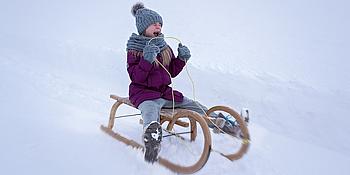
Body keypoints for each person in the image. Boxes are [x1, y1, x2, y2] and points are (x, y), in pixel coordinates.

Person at [126, 2, 242, 163]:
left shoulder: (164, 46)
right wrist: (146, 60)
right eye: (154, 24)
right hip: (143, 94)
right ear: (143, 27)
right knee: (150, 110)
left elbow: (171, 72)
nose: (158, 26)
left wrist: (181, 59)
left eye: (160, 24)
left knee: (193, 104)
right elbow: (135, 77)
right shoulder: (134, 49)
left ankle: (221, 123)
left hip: (164, 93)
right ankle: (152, 138)